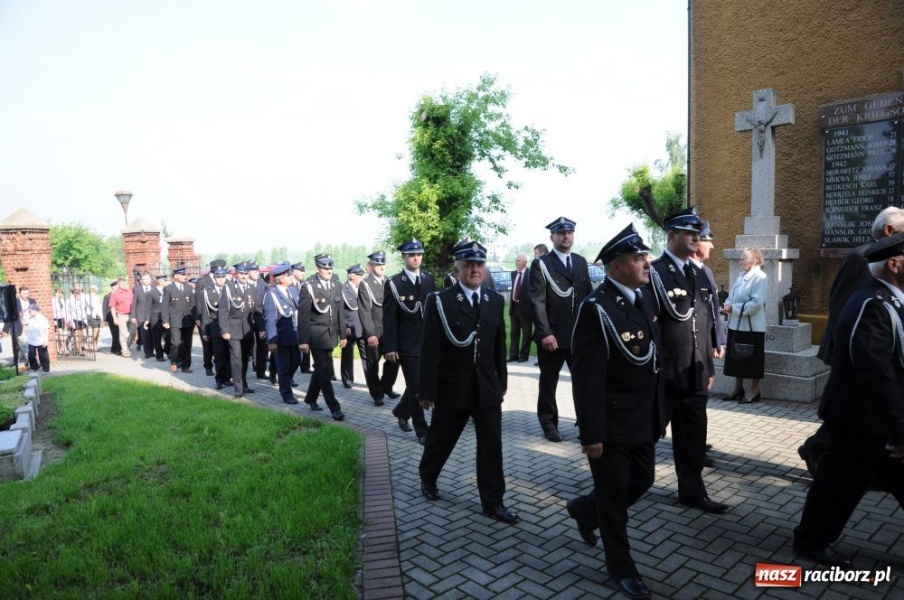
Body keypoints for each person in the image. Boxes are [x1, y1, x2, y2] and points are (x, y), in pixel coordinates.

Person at [792, 232, 904, 568]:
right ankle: (810, 540)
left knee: (849, 482)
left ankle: (813, 537)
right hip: (859, 419)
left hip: (875, 420)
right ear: (895, 264)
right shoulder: (873, 304)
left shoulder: (891, 300)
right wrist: (898, 430)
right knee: (839, 484)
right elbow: (874, 372)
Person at [566, 224, 665, 600]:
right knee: (614, 500)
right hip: (611, 422)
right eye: (638, 258)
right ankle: (622, 570)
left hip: (643, 418)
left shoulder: (646, 299)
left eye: (645, 257)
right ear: (615, 266)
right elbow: (586, 379)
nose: (646, 264)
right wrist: (591, 433)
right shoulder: (597, 308)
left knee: (642, 481)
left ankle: (583, 510)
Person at [418, 240, 518, 524]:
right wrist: (426, 390)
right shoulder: (441, 300)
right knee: (442, 438)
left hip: (486, 387)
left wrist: (502, 383)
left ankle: (493, 501)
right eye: (469, 264)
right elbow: (429, 349)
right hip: (453, 385)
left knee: (491, 446)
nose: (475, 269)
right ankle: (428, 476)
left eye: (479, 264)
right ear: (458, 267)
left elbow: (500, 346)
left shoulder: (494, 300)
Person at [800, 207, 904, 474]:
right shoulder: (861, 258)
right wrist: (847, 351)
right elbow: (841, 304)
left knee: (856, 415)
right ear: (889, 231)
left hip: (872, 348)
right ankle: (816, 450)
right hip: (855, 349)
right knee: (851, 411)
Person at [647, 206, 726, 514]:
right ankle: (621, 483)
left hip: (694, 371)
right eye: (690, 233)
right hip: (664, 373)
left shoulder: (699, 272)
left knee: (693, 437)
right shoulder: (654, 272)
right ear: (672, 235)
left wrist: (707, 366)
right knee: (647, 433)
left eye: (698, 233)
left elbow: (705, 321)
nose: (696, 237)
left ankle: (692, 491)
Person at [528, 216, 592, 442]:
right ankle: (548, 424)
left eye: (570, 232)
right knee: (549, 383)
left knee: (585, 383)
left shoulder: (581, 262)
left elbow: (588, 299)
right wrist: (545, 333)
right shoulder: (542, 264)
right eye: (561, 233)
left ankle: (586, 423)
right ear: (552, 237)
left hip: (578, 337)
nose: (566, 236)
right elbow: (536, 301)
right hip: (552, 336)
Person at [384, 239, 435, 443]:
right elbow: (389, 318)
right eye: (412, 255)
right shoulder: (395, 284)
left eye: (419, 254)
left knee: (420, 384)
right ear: (404, 257)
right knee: (416, 387)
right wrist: (390, 346)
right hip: (407, 344)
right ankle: (422, 430)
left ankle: (402, 412)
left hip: (427, 342)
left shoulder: (428, 279)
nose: (416, 257)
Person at [301, 253, 347, 420]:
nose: (328, 271)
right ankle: (334, 408)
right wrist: (304, 340)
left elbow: (340, 312)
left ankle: (310, 398)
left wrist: (343, 334)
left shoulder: (337, 285)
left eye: (330, 268)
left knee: (322, 369)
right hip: (316, 335)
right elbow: (303, 316)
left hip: (331, 334)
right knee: (325, 371)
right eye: (325, 268)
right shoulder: (309, 287)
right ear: (318, 269)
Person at [722, 248, 768, 404]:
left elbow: (756, 303)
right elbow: (731, 296)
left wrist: (733, 308)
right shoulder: (741, 276)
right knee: (736, 357)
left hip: (752, 326)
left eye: (743, 259)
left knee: (753, 359)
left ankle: (754, 391)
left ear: (754, 260)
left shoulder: (760, 277)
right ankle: (738, 389)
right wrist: (727, 304)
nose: (740, 261)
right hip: (736, 324)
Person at [263, 261, 311, 404]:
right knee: (283, 367)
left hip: (295, 334)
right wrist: (271, 341)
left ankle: (285, 381)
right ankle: (286, 394)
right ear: (281, 278)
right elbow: (270, 319)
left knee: (296, 361)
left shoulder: (294, 290)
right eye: (288, 275)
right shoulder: (271, 295)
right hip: (281, 336)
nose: (291, 277)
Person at [358, 251, 400, 406]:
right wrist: (369, 334)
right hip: (374, 331)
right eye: (377, 264)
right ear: (371, 266)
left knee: (394, 361)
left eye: (383, 264)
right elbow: (364, 310)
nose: (381, 266)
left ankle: (386, 387)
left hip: (389, 332)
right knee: (372, 365)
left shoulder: (390, 282)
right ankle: (377, 394)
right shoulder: (365, 284)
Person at [219, 262, 260, 398]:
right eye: (241, 273)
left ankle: (244, 384)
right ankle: (238, 389)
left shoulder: (252, 288)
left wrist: (261, 328)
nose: (244, 276)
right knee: (236, 359)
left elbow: (256, 310)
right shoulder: (229, 288)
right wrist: (224, 330)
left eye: (246, 273)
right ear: (236, 274)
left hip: (247, 330)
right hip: (233, 330)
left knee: (244, 359)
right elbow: (223, 311)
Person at [200, 267, 231, 389]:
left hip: (228, 327)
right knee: (219, 355)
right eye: (218, 277)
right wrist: (205, 331)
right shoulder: (207, 292)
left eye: (223, 277)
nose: (221, 279)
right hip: (215, 327)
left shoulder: (230, 290)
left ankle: (228, 377)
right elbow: (205, 313)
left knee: (229, 354)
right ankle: (219, 379)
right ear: (214, 278)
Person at [161, 266, 196, 373]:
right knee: (176, 343)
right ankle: (174, 361)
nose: (184, 276)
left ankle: (186, 366)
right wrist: (165, 321)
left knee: (187, 344)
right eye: (182, 275)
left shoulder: (188, 287)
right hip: (175, 320)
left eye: (185, 274)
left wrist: (196, 318)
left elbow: (193, 304)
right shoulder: (168, 288)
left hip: (187, 320)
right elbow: (165, 306)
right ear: (176, 276)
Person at [196, 260, 227, 375]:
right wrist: (199, 318)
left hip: (222, 320)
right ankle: (208, 366)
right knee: (207, 345)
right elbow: (199, 302)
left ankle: (225, 374)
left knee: (222, 351)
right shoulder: (202, 282)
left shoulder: (226, 280)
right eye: (222, 267)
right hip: (208, 319)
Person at [340, 264, 366, 389]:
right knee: (347, 355)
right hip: (350, 327)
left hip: (362, 326)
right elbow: (339, 310)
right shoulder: (343, 289)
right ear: (351, 276)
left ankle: (371, 380)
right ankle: (347, 379)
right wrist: (344, 326)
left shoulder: (362, 287)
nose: (362, 277)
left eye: (362, 274)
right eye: (359, 275)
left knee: (366, 354)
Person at [248, 262, 270, 381]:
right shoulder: (244, 283)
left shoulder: (263, 284)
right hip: (246, 320)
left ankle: (261, 370)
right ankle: (252, 365)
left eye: (258, 271)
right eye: (255, 271)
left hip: (260, 318)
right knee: (250, 346)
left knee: (262, 346)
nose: (257, 274)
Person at [507, 253, 531, 362]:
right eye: (516, 260)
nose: (517, 262)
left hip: (526, 310)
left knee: (526, 334)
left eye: (519, 261)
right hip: (514, 307)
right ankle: (513, 355)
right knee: (514, 333)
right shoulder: (513, 274)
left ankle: (524, 355)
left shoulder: (531, 274)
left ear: (525, 262)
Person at [109, 277, 134, 358]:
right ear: (118, 285)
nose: (124, 285)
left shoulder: (130, 292)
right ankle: (125, 350)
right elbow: (112, 307)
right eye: (122, 284)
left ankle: (127, 346)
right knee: (123, 334)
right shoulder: (114, 294)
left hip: (131, 314)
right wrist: (115, 318)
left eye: (125, 284)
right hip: (121, 315)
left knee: (133, 332)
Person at [131, 273, 155, 359]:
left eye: (148, 279)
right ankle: (147, 352)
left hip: (152, 315)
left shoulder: (154, 289)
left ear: (150, 280)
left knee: (152, 334)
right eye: (144, 279)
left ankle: (152, 351)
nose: (146, 281)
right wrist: (133, 316)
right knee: (144, 334)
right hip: (141, 315)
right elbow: (134, 304)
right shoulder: (138, 290)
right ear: (141, 281)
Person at [25, 301, 50, 373]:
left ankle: (45, 369)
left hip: (41, 340)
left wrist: (46, 339)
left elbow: (46, 329)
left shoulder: (42, 318)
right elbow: (23, 321)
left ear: (35, 311)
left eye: (31, 310)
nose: (29, 312)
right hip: (31, 340)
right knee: (31, 355)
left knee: (43, 356)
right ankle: (34, 367)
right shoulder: (29, 318)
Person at [102, 281, 122, 355]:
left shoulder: (119, 294)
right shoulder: (108, 296)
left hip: (119, 316)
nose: (118, 287)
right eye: (117, 286)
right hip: (111, 317)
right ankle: (117, 349)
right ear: (113, 287)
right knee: (115, 333)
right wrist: (105, 319)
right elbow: (104, 307)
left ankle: (114, 348)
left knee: (118, 333)